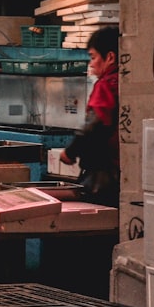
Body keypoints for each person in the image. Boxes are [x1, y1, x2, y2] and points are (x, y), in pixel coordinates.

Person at [60, 25, 120, 207]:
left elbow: (96, 123)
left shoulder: (106, 85)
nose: (91, 64)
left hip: (104, 176)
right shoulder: (128, 83)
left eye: (93, 57)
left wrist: (69, 152)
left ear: (110, 57)